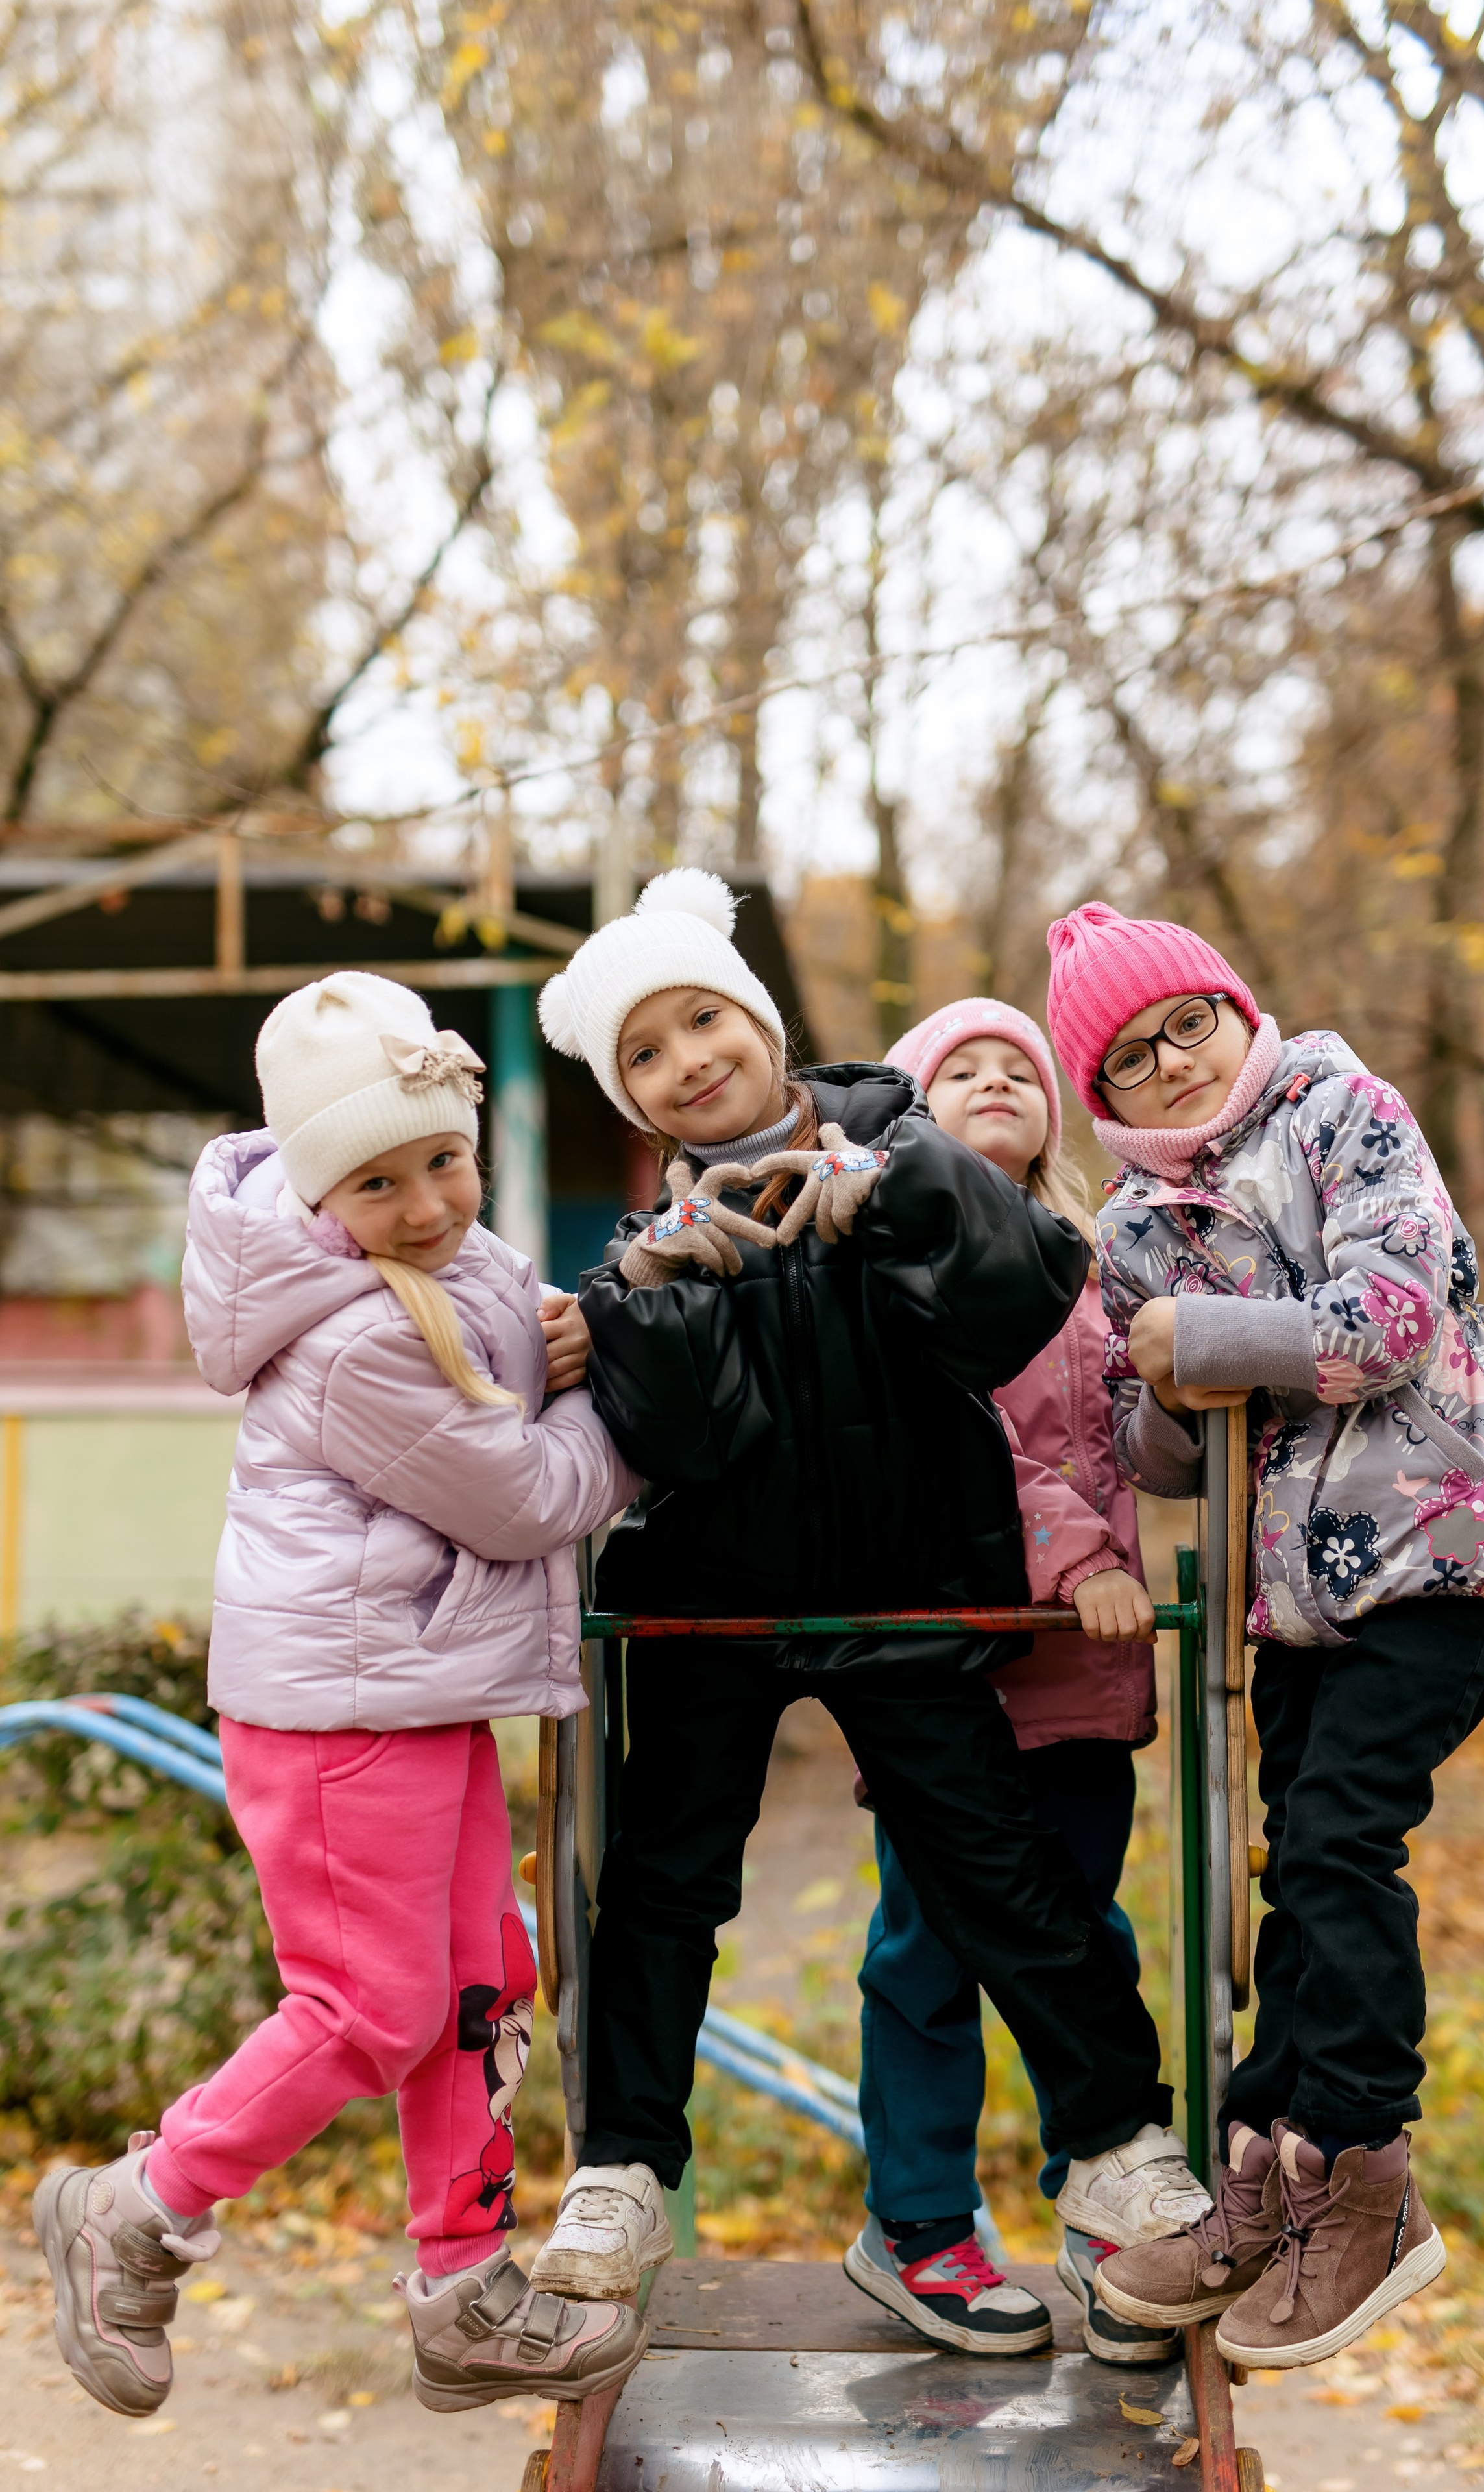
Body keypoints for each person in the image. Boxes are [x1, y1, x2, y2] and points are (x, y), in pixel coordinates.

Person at [528, 871, 1207, 2354]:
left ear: (758, 1020)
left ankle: (1117, 2147)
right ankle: (622, 2167)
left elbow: (1030, 1292)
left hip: (907, 1584)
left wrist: (888, 1197)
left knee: (1001, 1872)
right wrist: (644, 1303)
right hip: (716, 1604)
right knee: (661, 1887)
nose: (689, 1060)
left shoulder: (899, 1142)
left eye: (703, 1018)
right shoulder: (638, 1256)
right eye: (645, 1055)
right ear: (632, 1099)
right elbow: (681, 1441)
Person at [33, 973, 643, 2421]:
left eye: (443, 1158)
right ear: (322, 1196)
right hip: (332, 1720)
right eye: (380, 1181)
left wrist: (562, 1324)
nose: (429, 1201)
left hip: (420, 1691)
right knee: (371, 2005)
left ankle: (462, 2286)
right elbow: (524, 1497)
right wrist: (626, 1396)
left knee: (478, 1982)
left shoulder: (450, 1263)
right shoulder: (355, 1334)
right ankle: (137, 2203)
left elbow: (505, 1340)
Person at [1041, 905, 1484, 2369]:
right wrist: (1158, 1376)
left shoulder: (1341, 1111)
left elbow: (1389, 1317)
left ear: (1233, 1008)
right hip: (1301, 1588)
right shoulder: (1136, 1226)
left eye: (1183, 1026)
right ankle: (1264, 2175)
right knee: (1289, 1861)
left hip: (1444, 1545)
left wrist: (1197, 1345)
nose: (1169, 1066)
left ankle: (1366, 2170)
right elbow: (1155, 1456)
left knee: (1339, 1837)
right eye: (1130, 1061)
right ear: (1104, 1097)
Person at [852, 997, 1191, 2365]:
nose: (996, 1081)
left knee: (1079, 1938)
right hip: (947, 1672)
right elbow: (950, 1435)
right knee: (926, 1959)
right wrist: (1068, 1556)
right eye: (960, 1069)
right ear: (913, 1116)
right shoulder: (895, 1254)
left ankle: (1105, 2197)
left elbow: (1130, 1427)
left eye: (1018, 1069)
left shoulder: (1092, 1258)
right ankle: (915, 2222)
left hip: (1080, 1676)